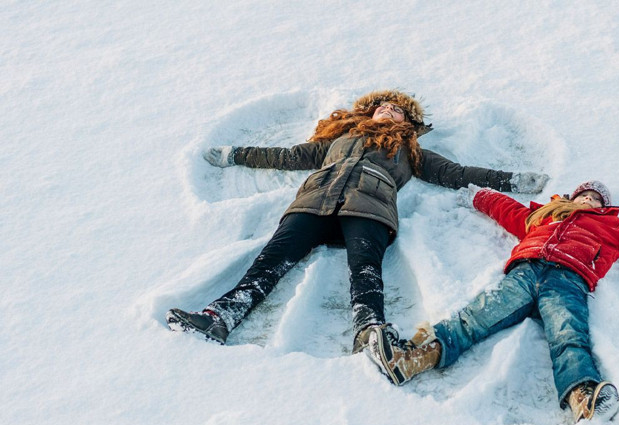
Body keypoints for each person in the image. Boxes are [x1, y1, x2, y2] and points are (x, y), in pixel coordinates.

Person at [166, 89, 550, 352]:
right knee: (272, 258)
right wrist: (235, 154)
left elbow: (458, 172)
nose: (388, 110)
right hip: (315, 199)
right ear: (369, 111)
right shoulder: (339, 138)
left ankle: (369, 330)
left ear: (408, 121)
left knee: (365, 268)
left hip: (371, 205)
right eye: (382, 106)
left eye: (397, 109)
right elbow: (286, 156)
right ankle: (220, 316)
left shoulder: (410, 149)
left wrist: (511, 180)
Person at [364, 180, 619, 423]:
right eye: (585, 195)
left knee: (568, 335)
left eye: (596, 198)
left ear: (605, 207)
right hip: (524, 273)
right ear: (573, 197)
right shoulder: (544, 216)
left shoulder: (616, 228)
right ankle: (411, 358)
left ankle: (582, 398)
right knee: (475, 316)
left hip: (569, 280)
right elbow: (507, 210)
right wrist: (477, 195)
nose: (589, 200)